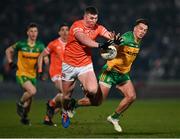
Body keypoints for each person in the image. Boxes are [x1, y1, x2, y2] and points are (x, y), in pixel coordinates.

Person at [75, 18, 149, 132]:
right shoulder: (126, 37)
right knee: (97, 102)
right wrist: (115, 43)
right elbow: (114, 46)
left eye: (145, 30)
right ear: (135, 28)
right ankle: (74, 104)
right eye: (140, 28)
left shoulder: (138, 40)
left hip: (123, 73)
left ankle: (114, 118)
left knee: (132, 96)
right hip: (110, 71)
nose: (142, 31)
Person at [61, 6, 114, 126]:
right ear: (85, 16)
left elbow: (109, 35)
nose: (93, 21)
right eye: (91, 18)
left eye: (95, 18)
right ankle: (65, 111)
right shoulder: (76, 26)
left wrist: (117, 39)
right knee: (66, 96)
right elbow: (83, 39)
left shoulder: (98, 28)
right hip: (69, 65)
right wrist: (100, 45)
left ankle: (82, 91)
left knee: (93, 90)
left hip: (85, 64)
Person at [5, 23, 48, 125]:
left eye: (35, 31)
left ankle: (24, 117)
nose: (33, 33)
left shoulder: (40, 46)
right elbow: (8, 50)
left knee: (29, 101)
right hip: (21, 73)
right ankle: (19, 104)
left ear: (37, 33)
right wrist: (10, 62)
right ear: (28, 33)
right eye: (31, 31)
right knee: (32, 91)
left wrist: (45, 68)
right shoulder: (21, 44)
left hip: (32, 75)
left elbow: (45, 58)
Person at [38, 23, 69, 126]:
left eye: (66, 30)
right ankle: (64, 113)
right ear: (59, 32)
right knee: (64, 94)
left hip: (67, 74)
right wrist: (41, 71)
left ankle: (48, 116)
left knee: (62, 101)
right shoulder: (54, 44)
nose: (65, 32)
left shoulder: (71, 44)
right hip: (56, 73)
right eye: (62, 30)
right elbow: (41, 56)